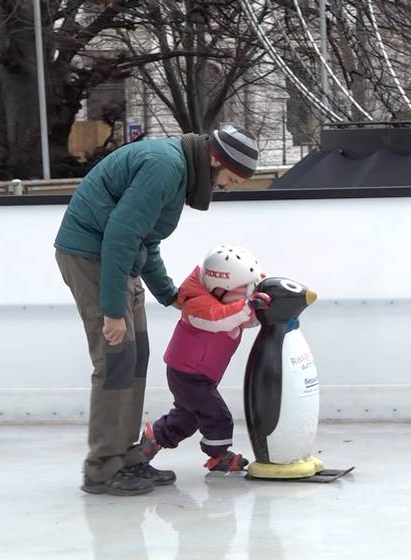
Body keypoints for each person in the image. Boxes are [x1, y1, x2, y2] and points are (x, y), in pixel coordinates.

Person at [54, 125, 259, 496]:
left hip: (119, 260)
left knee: (136, 357)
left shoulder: (179, 171)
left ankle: (128, 457)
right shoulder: (165, 167)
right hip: (91, 257)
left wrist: (170, 294)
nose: (227, 188)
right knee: (115, 361)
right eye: (230, 179)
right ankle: (102, 467)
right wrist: (113, 310)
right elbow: (120, 234)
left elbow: (145, 238)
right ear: (216, 160)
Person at [139, 244, 272, 472]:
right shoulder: (199, 307)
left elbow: (244, 318)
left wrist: (261, 305)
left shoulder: (227, 301)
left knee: (188, 418)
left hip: (198, 373)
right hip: (187, 374)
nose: (248, 295)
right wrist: (250, 307)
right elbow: (223, 319)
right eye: (244, 290)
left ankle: (153, 439)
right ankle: (219, 456)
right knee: (216, 415)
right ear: (220, 289)